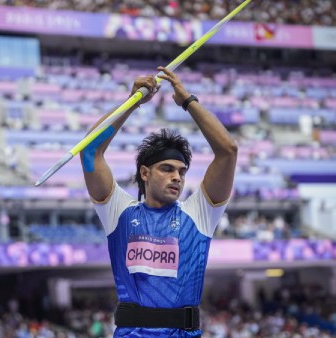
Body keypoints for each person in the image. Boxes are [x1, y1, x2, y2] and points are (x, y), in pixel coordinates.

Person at [80, 67, 237, 337]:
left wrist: (188, 101)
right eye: (167, 169)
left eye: (182, 171)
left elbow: (228, 151)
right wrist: (131, 102)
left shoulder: (199, 214)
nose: (177, 177)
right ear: (145, 173)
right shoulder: (119, 212)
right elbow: (90, 150)